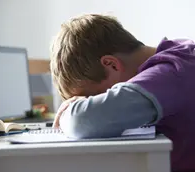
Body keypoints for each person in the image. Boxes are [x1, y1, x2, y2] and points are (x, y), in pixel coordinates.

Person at [50, 14, 195, 172]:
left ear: (111, 65)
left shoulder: (169, 75)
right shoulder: (180, 54)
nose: (97, 101)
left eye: (96, 97)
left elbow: (81, 121)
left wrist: (68, 113)